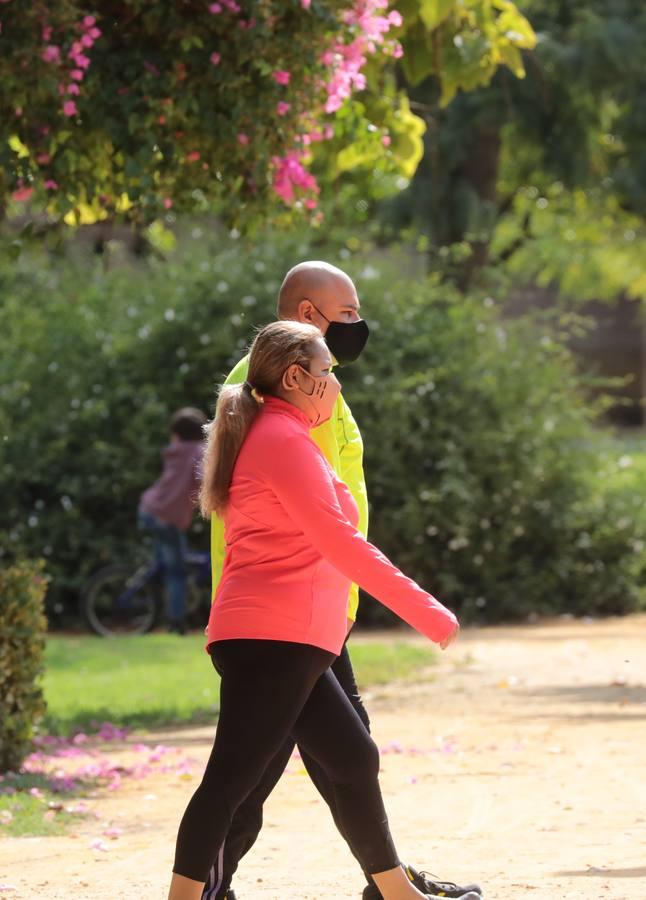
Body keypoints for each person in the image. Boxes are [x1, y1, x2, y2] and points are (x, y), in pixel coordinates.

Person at [167, 320, 476, 900]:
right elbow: (341, 541)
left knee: (353, 757)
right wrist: (429, 611)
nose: (335, 385)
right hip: (272, 638)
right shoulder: (281, 441)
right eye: (328, 372)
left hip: (290, 637)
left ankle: (396, 893)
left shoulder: (279, 434)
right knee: (231, 779)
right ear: (295, 377)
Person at [138, 406, 206, 634]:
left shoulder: (176, 450)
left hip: (151, 508)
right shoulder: (197, 452)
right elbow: (205, 478)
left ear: (177, 434)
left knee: (166, 566)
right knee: (177, 572)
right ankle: (175, 623)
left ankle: (150, 600)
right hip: (167, 517)